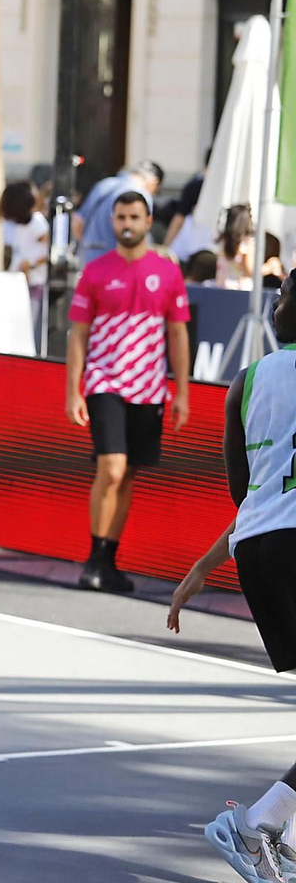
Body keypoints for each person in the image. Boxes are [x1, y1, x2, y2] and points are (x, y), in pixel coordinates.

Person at [169, 273, 296, 882]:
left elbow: (251, 501)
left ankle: (282, 830)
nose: (275, 300)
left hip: (260, 551)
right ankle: (254, 824)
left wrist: (204, 564)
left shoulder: (246, 383)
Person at [65, 190, 190, 592]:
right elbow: (78, 334)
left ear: (148, 220)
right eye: (121, 217)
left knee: (129, 473)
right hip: (105, 381)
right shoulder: (95, 271)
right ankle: (94, 559)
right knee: (111, 469)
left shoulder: (168, 272)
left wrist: (181, 392)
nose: (126, 224)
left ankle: (108, 560)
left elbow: (177, 332)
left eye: (134, 216)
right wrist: (74, 390)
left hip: (150, 388)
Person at [75, 160, 162, 261]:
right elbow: (140, 236)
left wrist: (90, 244)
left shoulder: (104, 184)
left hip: (89, 258)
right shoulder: (142, 196)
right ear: (154, 181)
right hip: (121, 265)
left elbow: (77, 222)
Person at [0, 179, 49, 345]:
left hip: (33, 282)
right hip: (17, 279)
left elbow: (48, 250)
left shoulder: (37, 223)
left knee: (29, 327)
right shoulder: (17, 225)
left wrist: (31, 265)